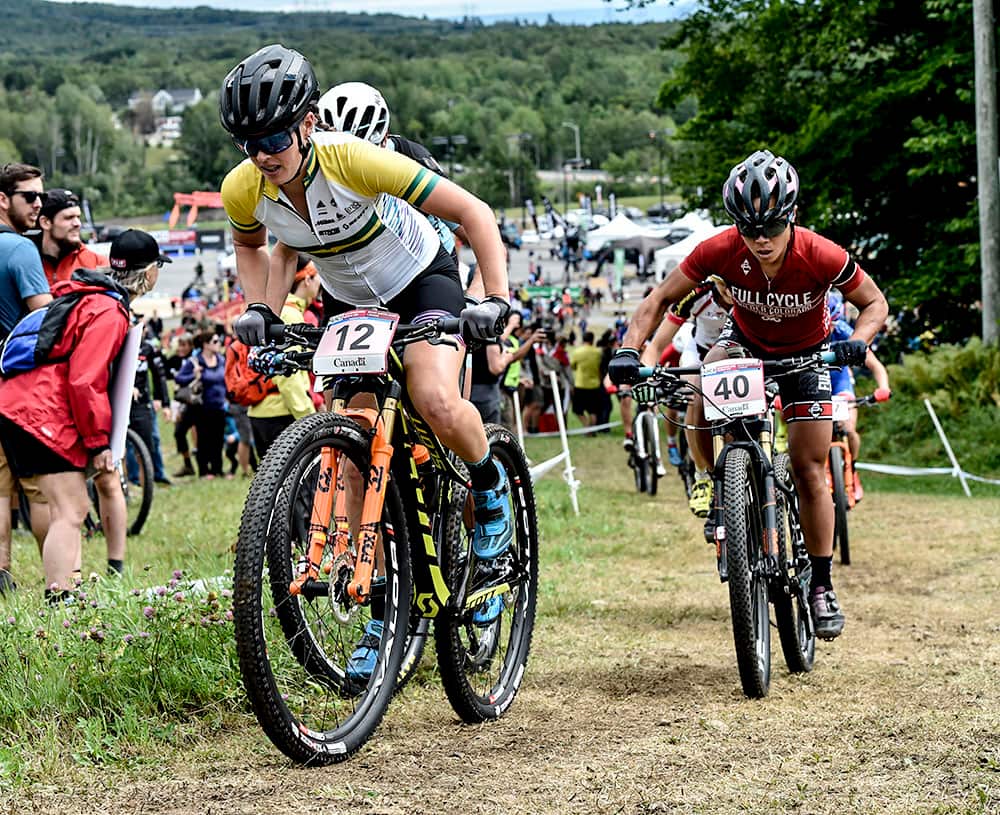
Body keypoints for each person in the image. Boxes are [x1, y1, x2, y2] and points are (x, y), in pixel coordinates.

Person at [218, 45, 514, 675]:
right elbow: (258, 247)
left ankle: (489, 486)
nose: (264, 154)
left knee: (434, 398)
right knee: (354, 450)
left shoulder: (353, 159)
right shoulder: (244, 188)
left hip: (420, 281)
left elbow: (473, 213)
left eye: (275, 136)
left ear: (305, 125)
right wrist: (261, 311)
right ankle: (384, 607)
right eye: (250, 143)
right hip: (349, 300)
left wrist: (495, 298)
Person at [608, 149, 889, 640]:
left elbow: (874, 303)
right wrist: (630, 351)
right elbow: (658, 301)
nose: (760, 240)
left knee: (809, 469)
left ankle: (821, 584)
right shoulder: (719, 251)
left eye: (771, 228)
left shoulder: (821, 254)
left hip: (810, 354)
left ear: (792, 217)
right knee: (708, 371)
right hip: (747, 346)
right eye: (748, 228)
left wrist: (857, 343)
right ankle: (725, 485)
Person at [0, 229, 165, 598]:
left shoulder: (90, 297)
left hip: (21, 405)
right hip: (38, 412)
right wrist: (98, 442)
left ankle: (67, 593)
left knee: (66, 506)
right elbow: (84, 380)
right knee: (70, 509)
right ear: (150, 272)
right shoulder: (109, 311)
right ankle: (60, 598)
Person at [640, 276, 734, 514]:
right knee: (694, 393)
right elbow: (656, 346)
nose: (732, 292)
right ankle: (701, 475)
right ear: (716, 283)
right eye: (726, 286)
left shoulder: (753, 293)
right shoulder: (698, 294)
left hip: (738, 356)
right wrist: (647, 374)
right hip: (700, 354)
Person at [0, 162, 51, 593]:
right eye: (28, 197)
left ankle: (2, 577)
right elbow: (42, 317)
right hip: (18, 386)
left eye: (41, 197)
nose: (39, 205)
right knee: (39, 487)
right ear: (3, 200)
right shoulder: (19, 250)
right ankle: (59, 579)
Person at [246, 262, 318, 459]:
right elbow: (288, 375)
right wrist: (310, 419)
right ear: (308, 279)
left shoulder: (275, 310)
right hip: (284, 413)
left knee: (270, 486)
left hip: (261, 412)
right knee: (301, 488)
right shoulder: (291, 314)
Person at [827, 291, 891, 501]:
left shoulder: (844, 332)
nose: (830, 328)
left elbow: (876, 365)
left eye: (833, 322)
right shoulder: (801, 334)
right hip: (813, 386)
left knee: (848, 428)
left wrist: (883, 388)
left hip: (840, 384)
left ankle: (852, 470)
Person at [175, 331, 228, 479]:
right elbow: (179, 378)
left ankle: (218, 469)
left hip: (219, 406)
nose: (219, 344)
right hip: (202, 407)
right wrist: (194, 374)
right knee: (204, 440)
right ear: (206, 344)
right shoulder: (195, 362)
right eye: (215, 341)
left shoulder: (221, 360)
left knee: (218, 440)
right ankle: (204, 470)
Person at [33, 189, 105, 286]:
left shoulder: (98, 263)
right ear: (46, 222)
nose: (78, 224)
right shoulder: (28, 264)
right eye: (69, 218)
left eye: (78, 217)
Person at [569, 331, 603, 430]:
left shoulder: (577, 352)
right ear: (593, 340)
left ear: (583, 339)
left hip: (581, 384)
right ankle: (591, 429)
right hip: (595, 384)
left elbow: (573, 366)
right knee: (593, 411)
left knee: (577, 410)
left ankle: (586, 426)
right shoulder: (598, 352)